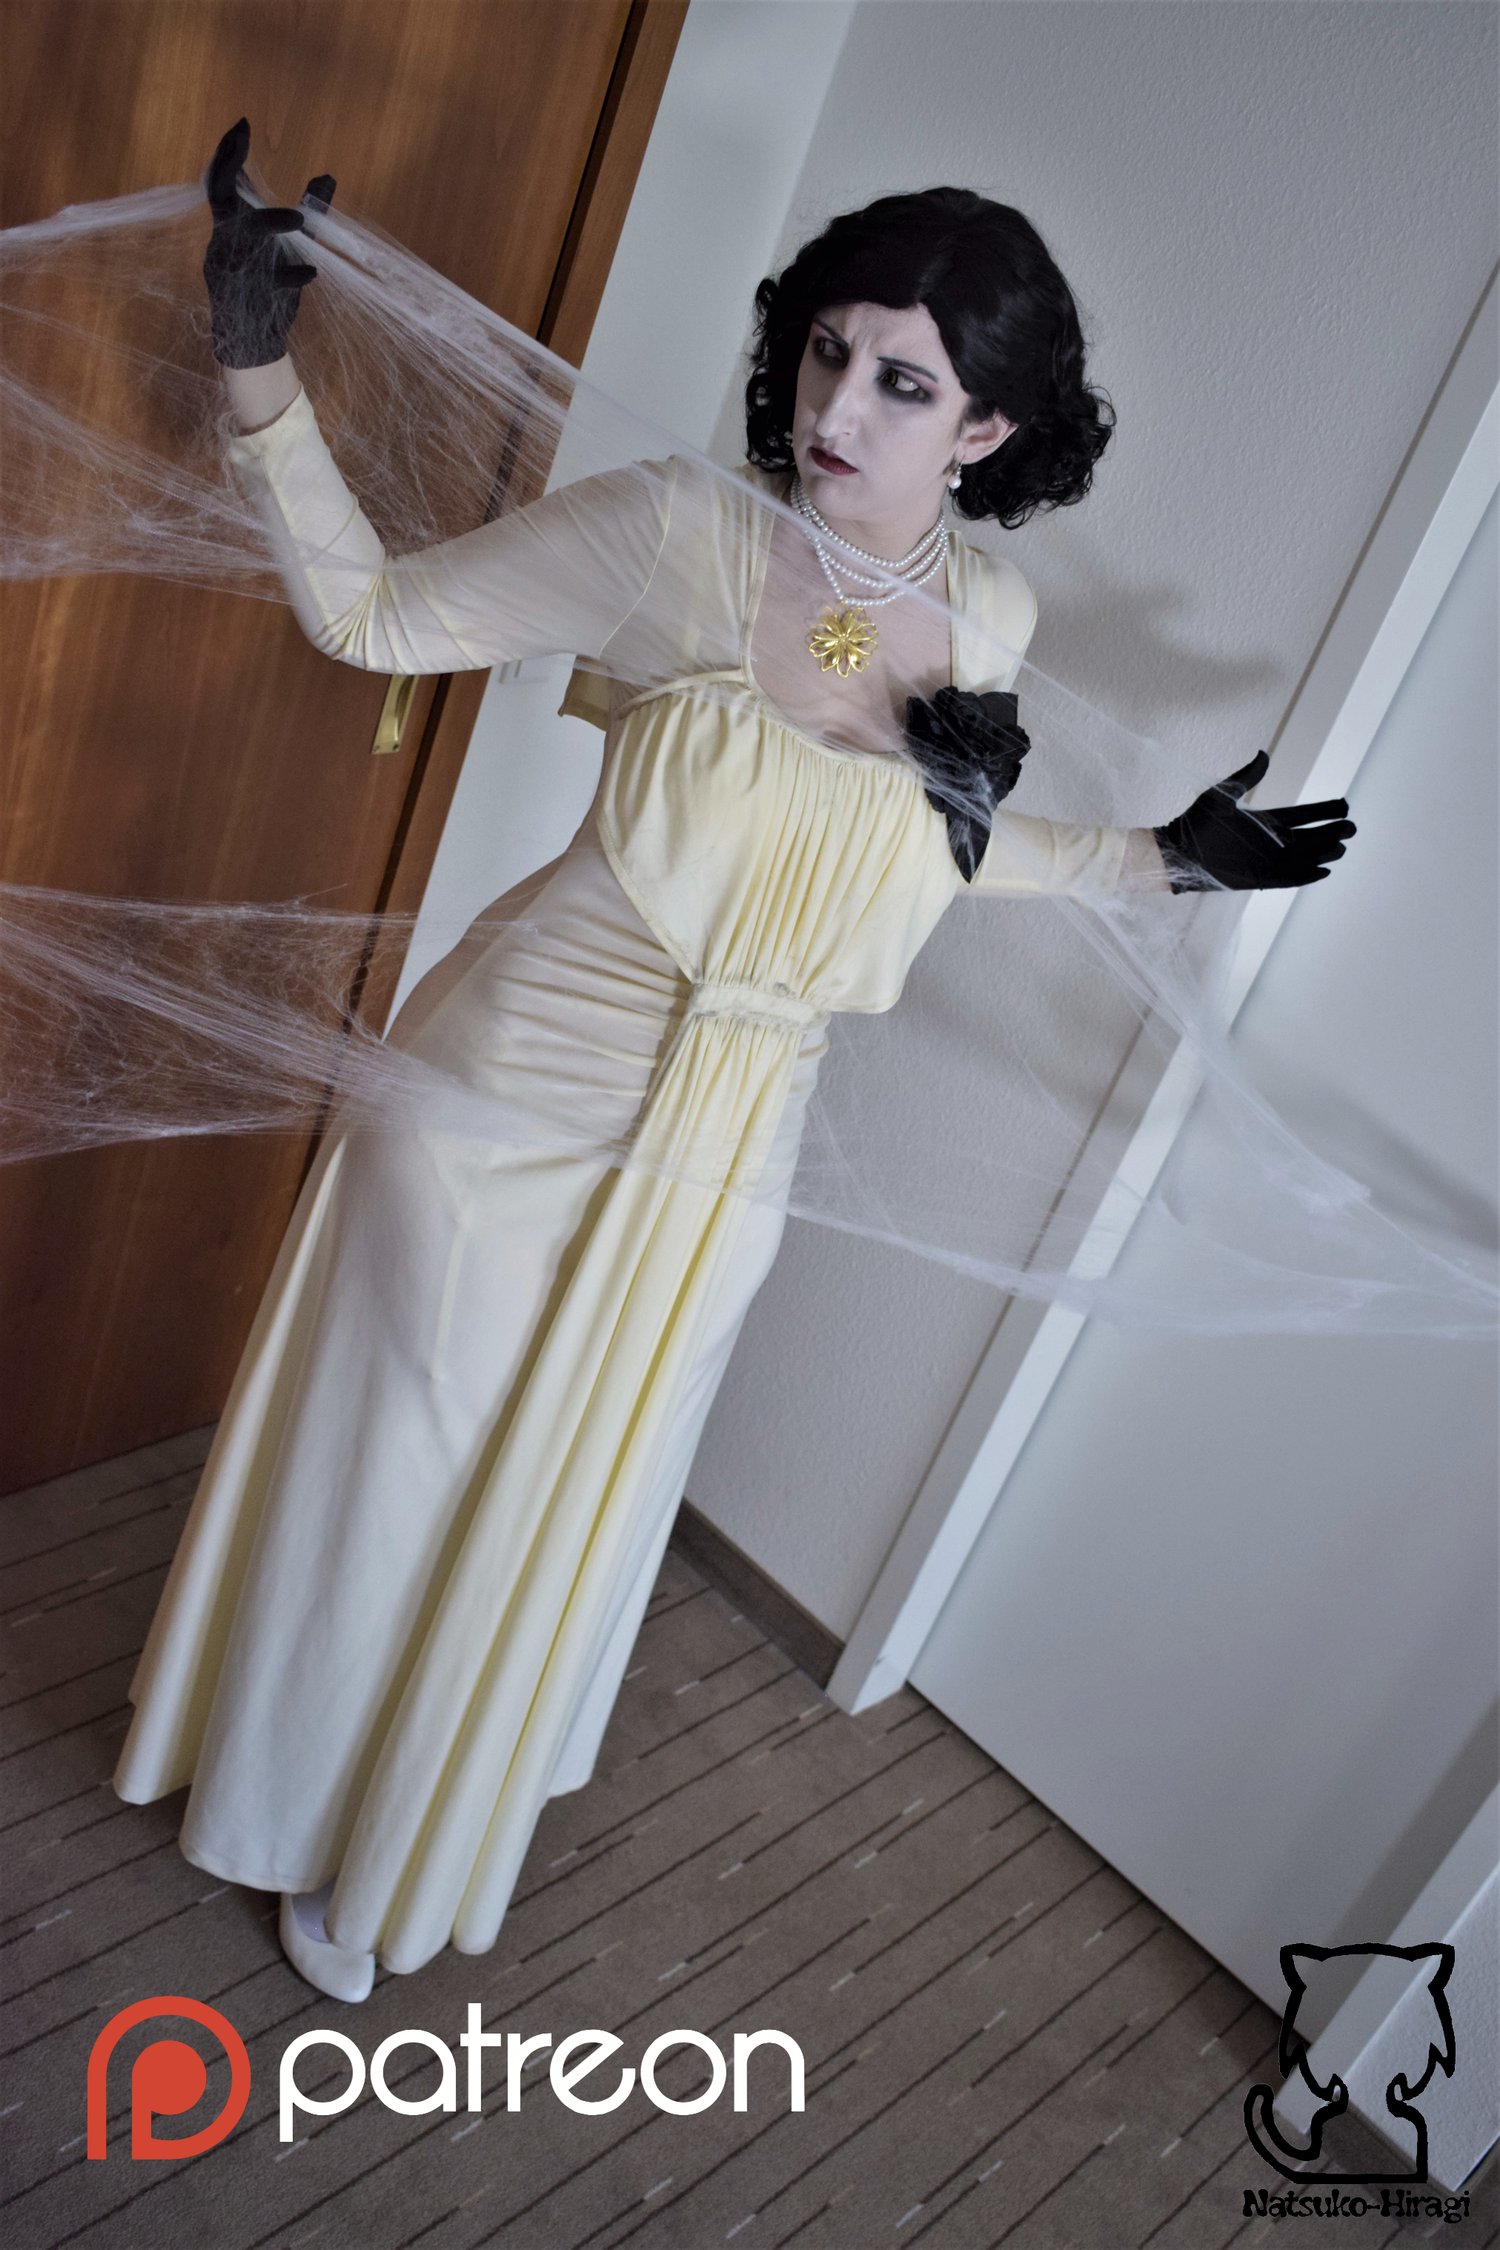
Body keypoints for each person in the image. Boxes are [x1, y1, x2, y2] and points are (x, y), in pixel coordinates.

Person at [110, 122, 1355, 2003]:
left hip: (730, 1141)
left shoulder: (994, 619)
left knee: (576, 1491)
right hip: (513, 1095)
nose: (838, 406)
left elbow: (915, 859)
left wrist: (1159, 857)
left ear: (990, 430)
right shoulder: (672, 530)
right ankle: (284, 1809)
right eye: (829, 349)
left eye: (904, 383)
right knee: (404, 1467)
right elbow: (371, 615)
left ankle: (407, 1833)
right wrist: (258, 375)